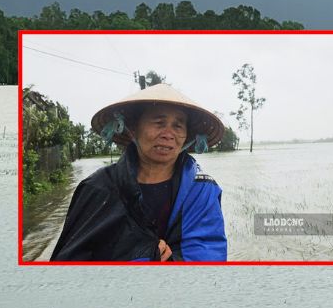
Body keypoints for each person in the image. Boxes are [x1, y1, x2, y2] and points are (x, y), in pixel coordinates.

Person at [50, 84, 227, 262]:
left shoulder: (202, 189)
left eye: (178, 126)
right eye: (159, 123)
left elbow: (209, 254)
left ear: (187, 136)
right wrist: (144, 253)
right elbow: (70, 261)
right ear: (133, 129)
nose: (168, 134)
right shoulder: (97, 187)